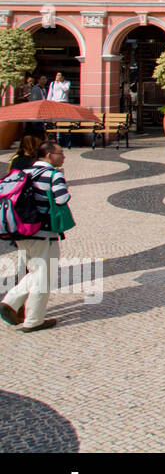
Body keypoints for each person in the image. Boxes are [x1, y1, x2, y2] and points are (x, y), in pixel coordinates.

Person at [0, 140, 70, 332]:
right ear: (48, 155)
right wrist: (63, 180)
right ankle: (31, 319)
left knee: (35, 271)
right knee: (44, 275)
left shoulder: (25, 173)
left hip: (22, 231)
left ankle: (12, 303)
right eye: (60, 153)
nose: (63, 157)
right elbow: (62, 199)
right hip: (44, 232)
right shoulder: (53, 174)